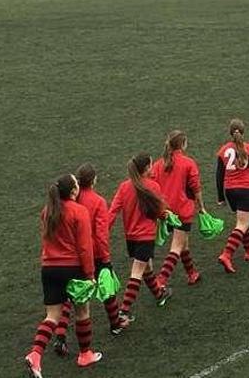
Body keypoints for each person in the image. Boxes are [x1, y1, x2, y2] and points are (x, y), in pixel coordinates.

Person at [25, 174, 102, 378]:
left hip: (49, 268)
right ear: (74, 191)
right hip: (72, 268)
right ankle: (85, 354)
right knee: (82, 312)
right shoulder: (79, 211)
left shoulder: (47, 211)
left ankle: (36, 354)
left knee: (52, 316)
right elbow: (85, 247)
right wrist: (90, 274)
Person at [52, 164, 125, 351]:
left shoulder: (69, 201)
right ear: (93, 180)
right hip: (93, 253)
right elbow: (101, 233)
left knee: (71, 295)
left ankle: (60, 337)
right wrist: (106, 258)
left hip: (72, 255)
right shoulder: (98, 201)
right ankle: (115, 323)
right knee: (107, 287)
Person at [110, 153, 172, 324]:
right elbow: (161, 211)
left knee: (146, 267)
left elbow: (113, 211)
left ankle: (159, 294)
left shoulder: (124, 187)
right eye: (151, 165)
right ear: (146, 168)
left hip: (130, 237)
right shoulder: (153, 186)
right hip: (145, 236)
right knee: (138, 271)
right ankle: (123, 311)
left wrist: (102, 232)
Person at [216, 119, 249, 274]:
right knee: (242, 223)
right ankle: (227, 254)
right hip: (245, 190)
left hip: (230, 191)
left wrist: (221, 197)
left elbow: (219, 176)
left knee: (242, 220)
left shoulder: (223, 150)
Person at [152, 130, 204, 287]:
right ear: (183, 144)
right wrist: (201, 207)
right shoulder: (188, 163)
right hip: (183, 210)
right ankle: (161, 280)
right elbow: (196, 188)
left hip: (165, 211)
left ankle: (192, 273)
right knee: (176, 246)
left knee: (183, 244)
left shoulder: (158, 165)